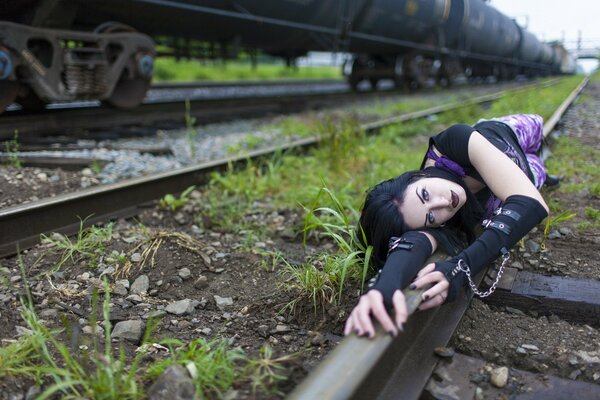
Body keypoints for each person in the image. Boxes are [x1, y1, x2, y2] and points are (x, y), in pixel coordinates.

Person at [344, 114, 552, 339]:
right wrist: (384, 288)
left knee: (539, 125)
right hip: (527, 174)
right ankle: (542, 168)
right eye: (431, 217)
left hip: (508, 134)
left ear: (417, 176)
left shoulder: (454, 141)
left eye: (425, 194)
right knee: (538, 171)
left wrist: (462, 267)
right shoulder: (438, 219)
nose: (443, 203)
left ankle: (536, 150)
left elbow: (532, 204)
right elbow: (414, 243)